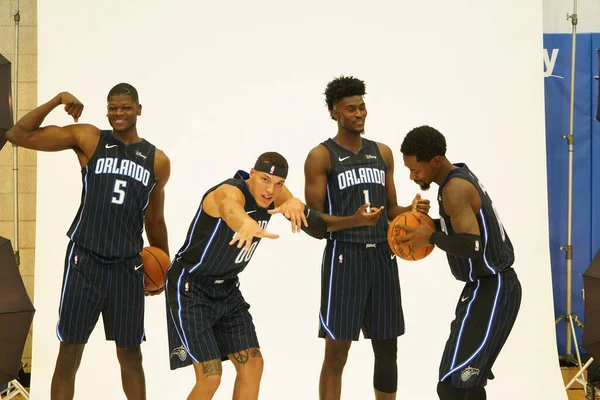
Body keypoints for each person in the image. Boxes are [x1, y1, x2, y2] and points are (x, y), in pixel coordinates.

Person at [6, 83, 170, 400]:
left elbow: (155, 219)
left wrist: (165, 266)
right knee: (70, 353)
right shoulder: (90, 138)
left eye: (124, 107)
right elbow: (17, 134)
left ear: (138, 109)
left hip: (127, 267)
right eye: (112, 107)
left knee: (131, 355)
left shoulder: (157, 160)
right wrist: (57, 100)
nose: (117, 113)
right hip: (85, 261)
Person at [167, 151, 366, 400]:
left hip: (227, 289)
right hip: (190, 287)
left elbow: (316, 228)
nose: (270, 190)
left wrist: (302, 205)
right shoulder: (229, 192)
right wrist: (244, 223)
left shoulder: (275, 195)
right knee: (211, 376)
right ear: (251, 174)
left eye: (278, 184)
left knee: (253, 365)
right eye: (264, 180)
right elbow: (230, 209)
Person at [304, 75, 430, 400]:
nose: (359, 114)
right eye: (351, 109)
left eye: (362, 107)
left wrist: (411, 209)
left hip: (383, 258)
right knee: (337, 355)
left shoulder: (382, 153)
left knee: (388, 349)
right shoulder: (321, 156)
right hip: (344, 258)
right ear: (335, 112)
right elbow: (312, 221)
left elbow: (390, 210)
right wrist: (353, 220)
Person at [397, 125, 522, 400]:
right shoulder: (457, 177)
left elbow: (473, 246)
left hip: (493, 288)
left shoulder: (455, 188)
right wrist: (431, 223)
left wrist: (429, 235)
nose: (411, 176)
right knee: (468, 386)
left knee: (453, 387)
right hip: (484, 288)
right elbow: (468, 227)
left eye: (415, 169)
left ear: (436, 161)